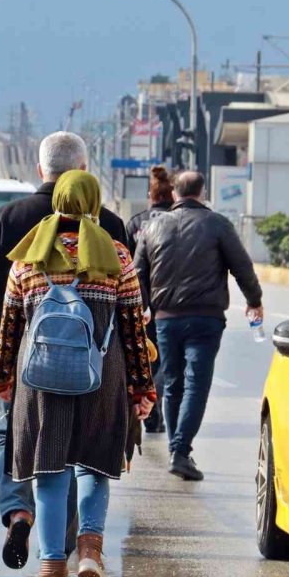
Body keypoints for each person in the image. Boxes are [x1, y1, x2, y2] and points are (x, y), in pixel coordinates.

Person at [0, 131, 129, 570]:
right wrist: (142, 382)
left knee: (13, 435)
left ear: (40, 170)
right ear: (85, 172)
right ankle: (73, 542)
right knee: (79, 451)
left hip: (24, 361)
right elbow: (132, 314)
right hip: (96, 364)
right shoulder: (110, 228)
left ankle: (20, 512)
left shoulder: (7, 220)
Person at [0, 170, 156, 577]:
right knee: (93, 468)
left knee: (49, 475)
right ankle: (89, 549)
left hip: (41, 385)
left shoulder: (27, 258)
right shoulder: (117, 257)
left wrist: (3, 377)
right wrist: (143, 388)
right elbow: (135, 330)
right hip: (102, 381)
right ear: (94, 203)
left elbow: (9, 328)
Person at [134, 171, 263, 481]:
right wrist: (254, 299)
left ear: (175, 193)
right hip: (206, 317)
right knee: (196, 384)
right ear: (202, 192)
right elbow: (241, 266)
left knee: (174, 382)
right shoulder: (217, 224)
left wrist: (143, 308)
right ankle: (180, 450)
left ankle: (177, 450)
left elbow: (137, 272)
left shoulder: (152, 227)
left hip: (166, 319)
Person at [125, 165, 175, 434]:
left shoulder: (135, 223)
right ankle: (156, 403)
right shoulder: (181, 221)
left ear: (150, 194)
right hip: (173, 302)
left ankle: (150, 405)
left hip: (142, 303)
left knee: (149, 356)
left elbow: (127, 267)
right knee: (170, 359)